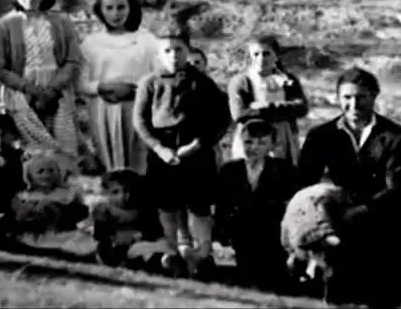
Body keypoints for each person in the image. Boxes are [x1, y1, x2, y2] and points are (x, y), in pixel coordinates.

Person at [297, 67, 401, 309]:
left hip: (385, 214)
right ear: (338, 98)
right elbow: (305, 182)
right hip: (340, 211)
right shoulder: (321, 136)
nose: (354, 104)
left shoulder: (398, 137)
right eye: (347, 98)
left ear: (374, 96)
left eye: (361, 97)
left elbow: (397, 189)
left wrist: (352, 217)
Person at [131, 31, 232, 279]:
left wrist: (198, 144)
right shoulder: (150, 82)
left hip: (196, 153)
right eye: (167, 50)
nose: (173, 55)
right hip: (163, 153)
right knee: (167, 204)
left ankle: (202, 256)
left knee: (199, 206)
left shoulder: (204, 83)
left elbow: (221, 119)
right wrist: (159, 148)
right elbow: (140, 120)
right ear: (159, 54)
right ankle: (172, 253)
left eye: (178, 50)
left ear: (187, 52)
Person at [0, 0, 85, 160]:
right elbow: (0, 68)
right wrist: (31, 90)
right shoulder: (3, 26)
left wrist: (52, 90)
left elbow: (73, 59)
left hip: (57, 87)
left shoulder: (61, 22)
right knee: (31, 149)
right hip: (20, 91)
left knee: (64, 145)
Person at [78, 0, 160, 174]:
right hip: (103, 108)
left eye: (121, 7)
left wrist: (135, 88)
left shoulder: (147, 40)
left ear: (130, 8)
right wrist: (102, 87)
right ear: (101, 10)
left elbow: (159, 75)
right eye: (109, 8)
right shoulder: (91, 43)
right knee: (109, 158)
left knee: (138, 157)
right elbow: (80, 82)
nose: (116, 14)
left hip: (138, 105)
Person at [214, 118, 299, 293]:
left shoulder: (282, 170)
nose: (253, 147)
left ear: (272, 146)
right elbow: (221, 207)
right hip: (239, 235)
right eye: (248, 142)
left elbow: (289, 208)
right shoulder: (230, 170)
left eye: (261, 143)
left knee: (273, 281)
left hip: (271, 237)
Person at [226, 35, 308, 164]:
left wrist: (264, 107)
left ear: (276, 56)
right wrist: (283, 110)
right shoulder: (240, 81)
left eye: (266, 53)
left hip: (283, 139)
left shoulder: (287, 80)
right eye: (256, 54)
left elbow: (301, 108)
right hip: (252, 137)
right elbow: (239, 114)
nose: (261, 58)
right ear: (249, 56)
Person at [91, 168, 164, 269]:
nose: (123, 196)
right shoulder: (103, 208)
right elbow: (99, 236)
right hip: (114, 247)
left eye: (128, 190)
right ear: (108, 192)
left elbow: (155, 233)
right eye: (116, 192)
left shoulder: (147, 208)